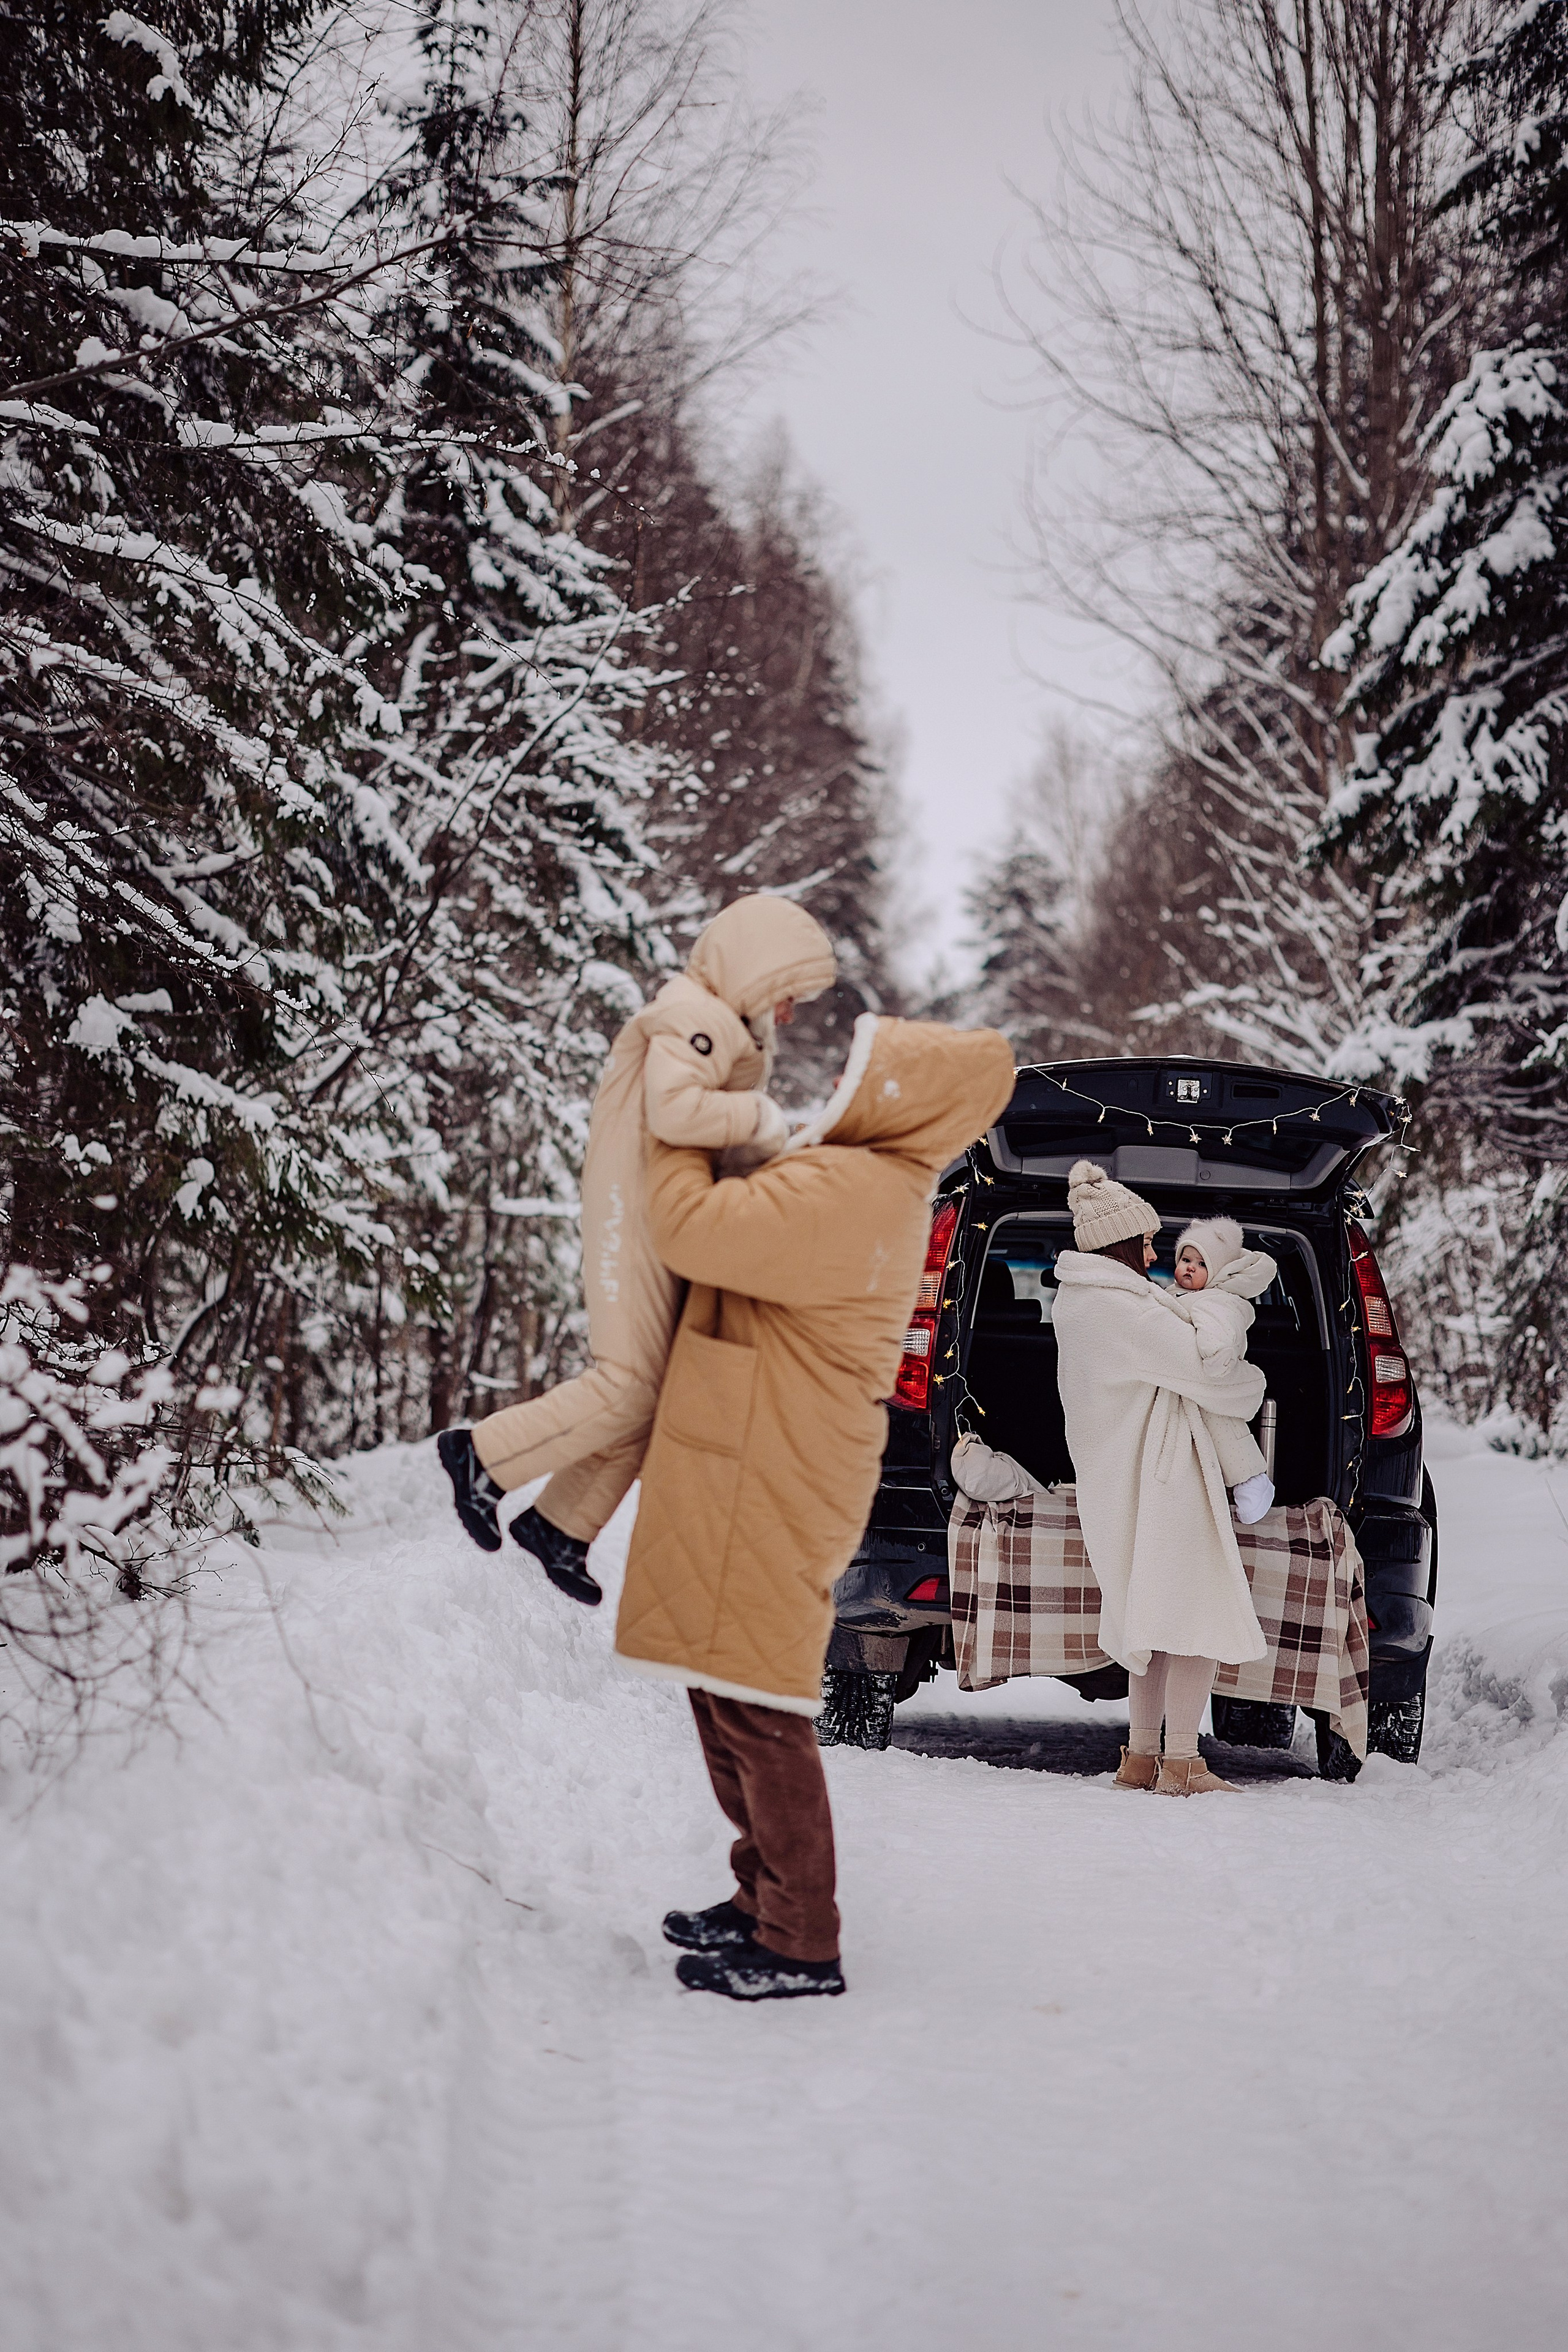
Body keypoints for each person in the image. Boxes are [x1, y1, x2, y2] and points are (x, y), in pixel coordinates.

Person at [616, 1012, 1016, 1999]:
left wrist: (675, 1133)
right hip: (775, 1458)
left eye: (868, 1072)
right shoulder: (863, 1178)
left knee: (757, 1701)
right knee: (722, 1687)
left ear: (904, 1093)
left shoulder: (864, 1186)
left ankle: (800, 1937)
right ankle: (763, 1897)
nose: (846, 1082)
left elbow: (692, 1233)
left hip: (787, 1471)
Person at [435, 896, 836, 1605]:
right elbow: (676, 1112)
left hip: (665, 1220)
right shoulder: (693, 1020)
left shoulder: (721, 1029)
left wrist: (791, 1146)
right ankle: (482, 1457)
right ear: (755, 972)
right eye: (786, 995)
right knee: (626, 1381)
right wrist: (769, 1120)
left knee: (652, 1396)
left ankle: (560, 1526)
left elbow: (715, 1140)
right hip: (632, 1216)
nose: (789, 1015)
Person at [1052, 1159, 1268, 1797]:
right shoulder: (1120, 1311)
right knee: (1193, 1617)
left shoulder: (1090, 1302)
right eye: (1145, 1242)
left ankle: (1141, 1757)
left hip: (1128, 1479)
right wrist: (1242, 1359)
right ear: (1118, 1244)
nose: (1155, 1253)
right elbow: (1209, 1368)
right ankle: (1183, 1763)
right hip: (1161, 1481)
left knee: (1148, 1621)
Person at [1170, 1219, 1276, 1526]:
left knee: (1226, 1432)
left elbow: (1218, 1333)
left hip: (1215, 1380)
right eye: (1186, 1260)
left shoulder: (1217, 1301)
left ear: (1217, 1273)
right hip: (1190, 1383)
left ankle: (1252, 1482)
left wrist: (1214, 1357)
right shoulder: (1177, 1294)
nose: (1190, 1268)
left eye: (1201, 1264)